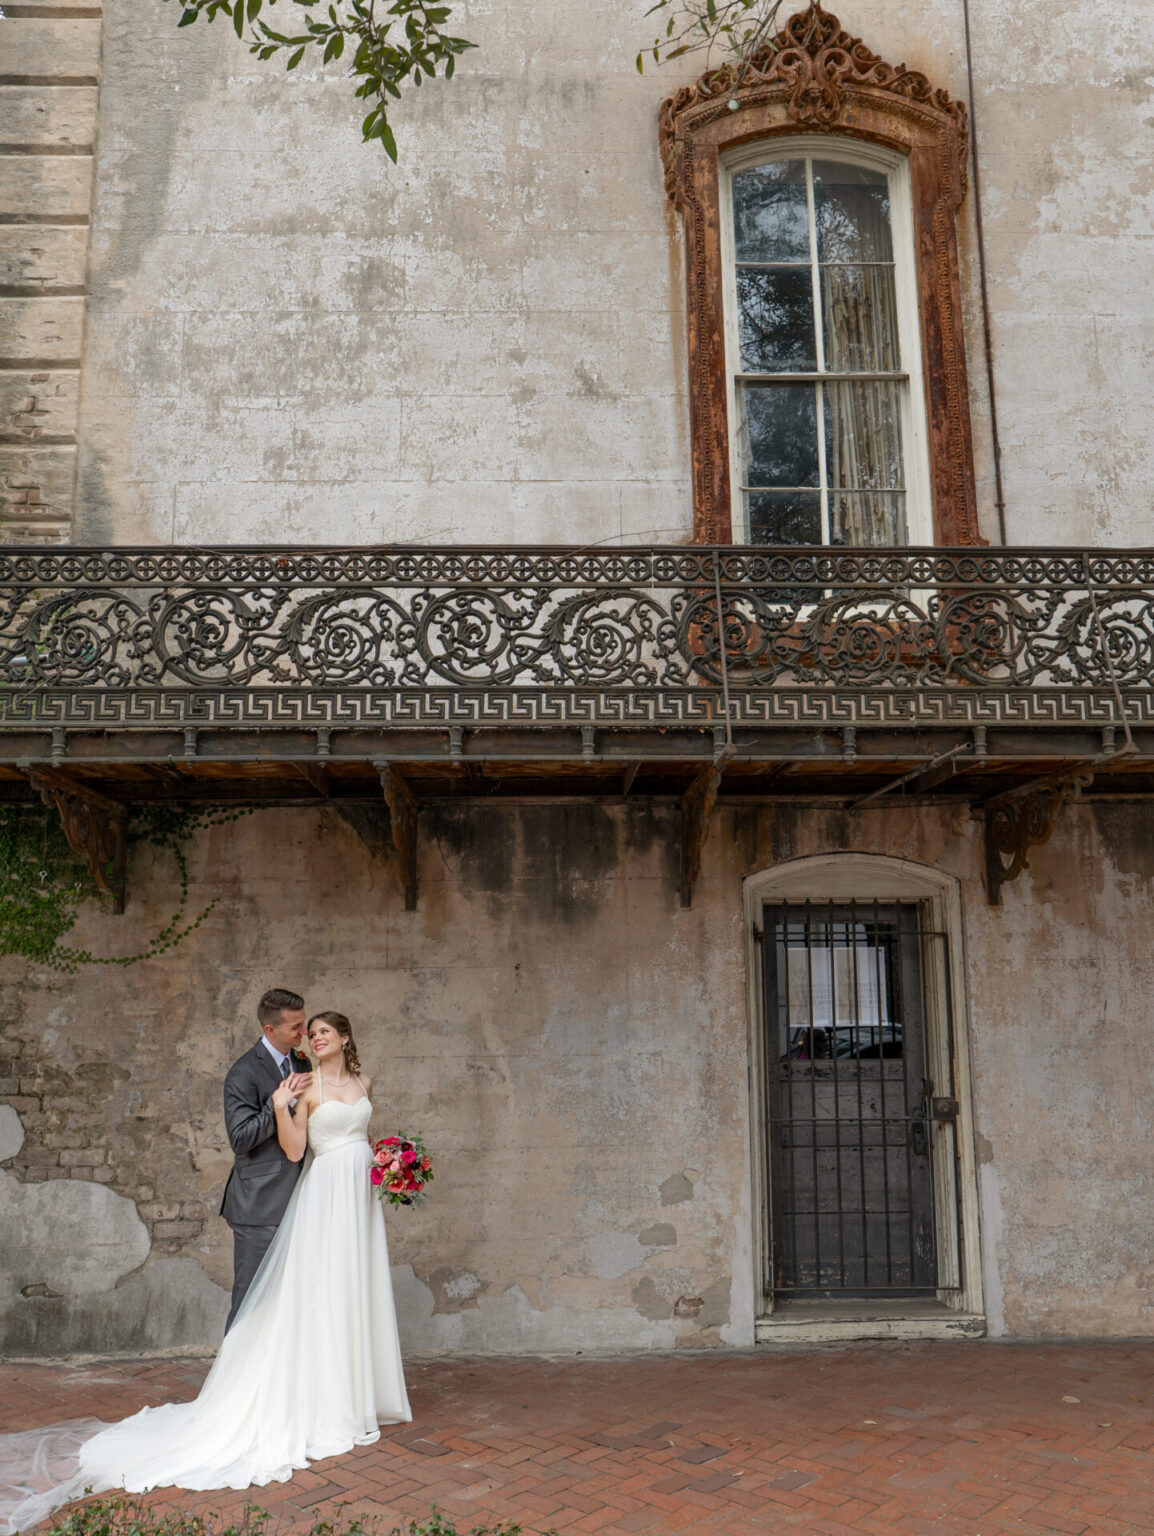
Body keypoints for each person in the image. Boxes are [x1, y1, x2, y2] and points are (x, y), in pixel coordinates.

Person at [0, 1011, 411, 1532]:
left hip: (360, 1195)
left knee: (355, 1291)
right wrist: (282, 1106)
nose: (315, 1038)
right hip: (327, 1194)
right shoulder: (301, 1085)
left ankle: (359, 1390)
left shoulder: (364, 1082)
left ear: (346, 1038)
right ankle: (322, 1398)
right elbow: (291, 1148)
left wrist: (392, 1163)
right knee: (318, 1293)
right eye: (311, 1033)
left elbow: (362, 1132)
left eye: (324, 1032)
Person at [221, 987, 313, 1330]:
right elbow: (240, 1138)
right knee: (250, 1301)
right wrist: (280, 1103)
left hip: (297, 1198)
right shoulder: (243, 1072)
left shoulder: (300, 1060)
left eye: (303, 1023)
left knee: (288, 1301)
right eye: (296, 1027)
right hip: (259, 1205)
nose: (304, 1033)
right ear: (270, 1030)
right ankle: (230, 1382)